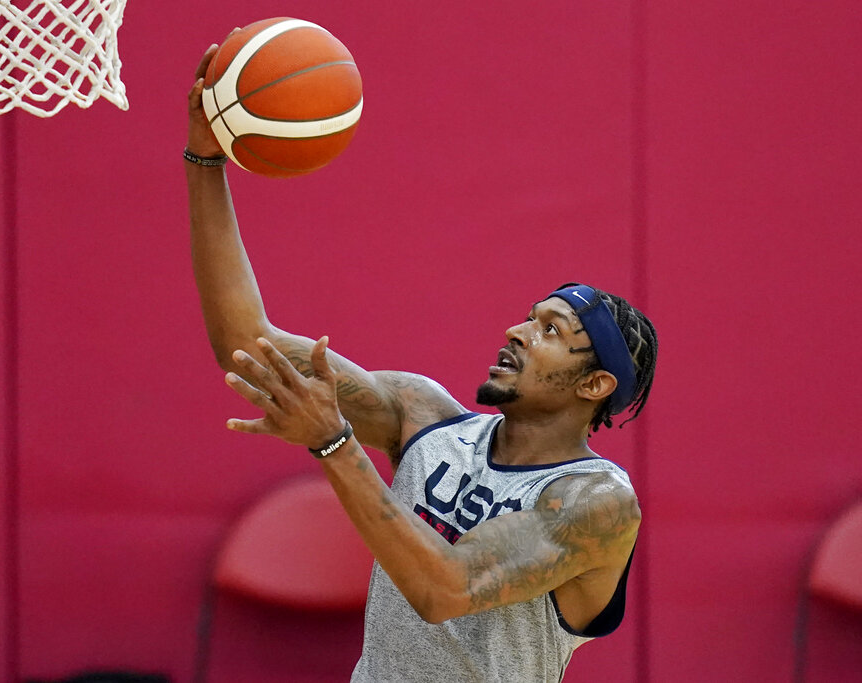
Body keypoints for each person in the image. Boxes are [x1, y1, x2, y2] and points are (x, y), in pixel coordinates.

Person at [185, 38, 658, 683]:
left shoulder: (596, 503)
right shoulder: (422, 415)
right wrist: (205, 161)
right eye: (529, 314)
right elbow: (245, 342)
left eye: (549, 329)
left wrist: (334, 444)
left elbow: (446, 591)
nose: (518, 330)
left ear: (595, 382)